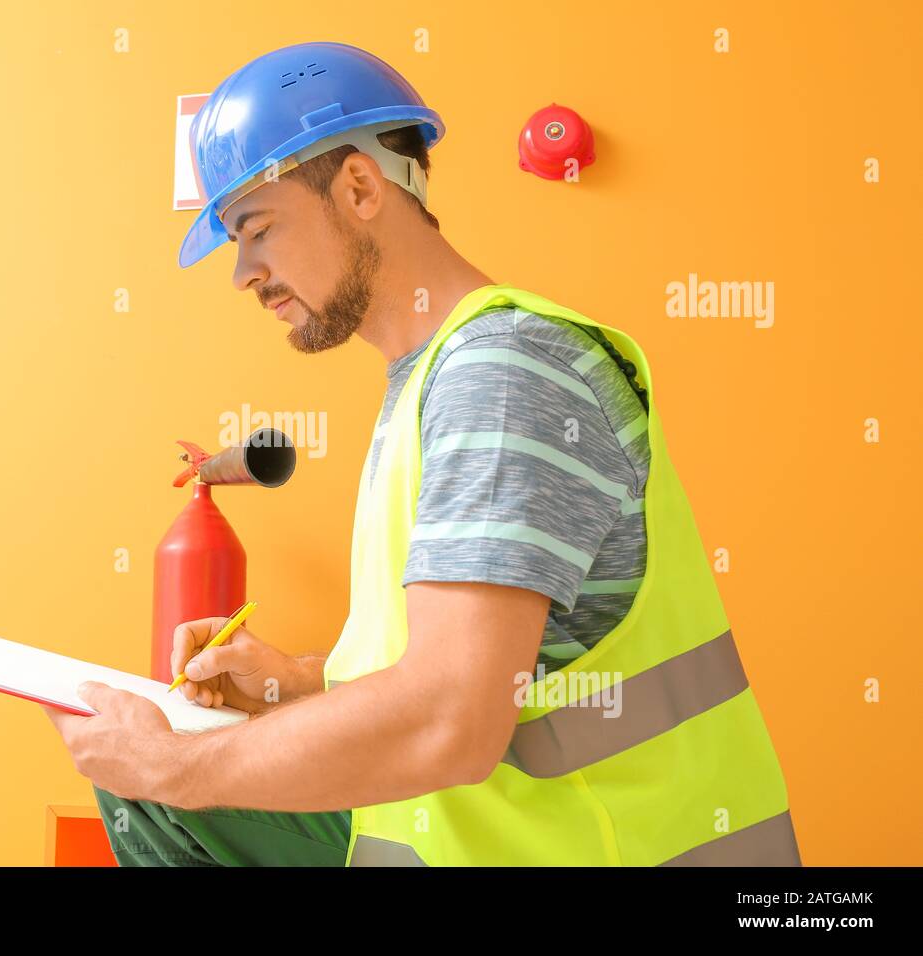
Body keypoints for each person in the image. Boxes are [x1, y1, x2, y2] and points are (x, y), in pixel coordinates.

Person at [45, 41, 800, 866]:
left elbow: (453, 717)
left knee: (156, 785)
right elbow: (471, 669)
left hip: (600, 849)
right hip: (480, 837)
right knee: (147, 794)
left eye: (256, 229)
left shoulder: (501, 372)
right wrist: (303, 682)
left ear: (361, 187)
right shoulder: (431, 381)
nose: (243, 274)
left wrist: (175, 765)